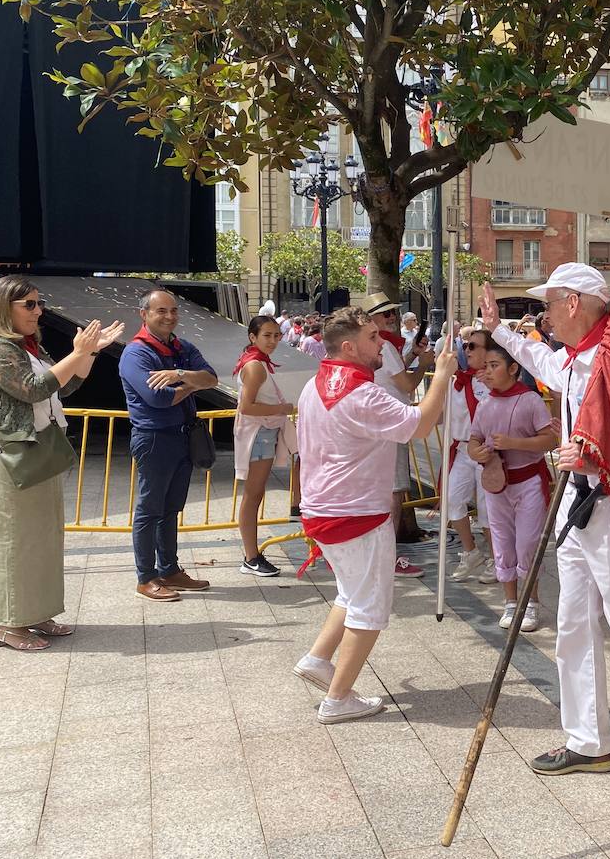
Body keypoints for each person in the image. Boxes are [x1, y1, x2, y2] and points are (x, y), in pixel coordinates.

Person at [479, 265, 610, 775]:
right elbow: (544, 362)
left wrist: (598, 459)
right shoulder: (576, 358)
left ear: (574, 303)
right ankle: (587, 742)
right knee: (573, 623)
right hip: (573, 508)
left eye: (550, 303)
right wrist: (498, 330)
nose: (545, 314)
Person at [292, 308, 457, 721]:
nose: (381, 341)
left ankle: (318, 658)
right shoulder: (360, 393)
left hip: (324, 509)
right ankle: (338, 698)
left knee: (351, 592)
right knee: (368, 605)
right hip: (355, 513)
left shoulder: (315, 385)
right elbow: (418, 425)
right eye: (371, 336)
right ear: (348, 346)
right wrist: (441, 374)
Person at [0, 277, 122, 650]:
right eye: (30, 305)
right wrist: (76, 353)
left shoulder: (24, 347)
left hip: (36, 449)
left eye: (38, 304)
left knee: (43, 539)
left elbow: (63, 387)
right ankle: (8, 623)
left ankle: (35, 614)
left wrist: (88, 353)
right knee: (15, 541)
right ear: (5, 308)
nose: (39, 312)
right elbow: (32, 389)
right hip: (14, 454)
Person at [119, 290, 219, 602]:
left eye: (173, 310)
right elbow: (157, 399)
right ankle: (146, 577)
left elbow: (212, 378)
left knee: (171, 509)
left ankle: (170, 570)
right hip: (154, 440)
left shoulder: (182, 348)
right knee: (150, 510)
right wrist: (193, 383)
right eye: (161, 311)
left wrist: (178, 375)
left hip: (183, 437)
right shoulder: (136, 354)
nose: (169, 316)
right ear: (144, 314)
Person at [468, 343, 559, 631]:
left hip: (529, 481)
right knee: (502, 543)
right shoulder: (485, 405)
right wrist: (476, 453)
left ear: (513, 368)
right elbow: (474, 439)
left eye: (494, 365)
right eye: (487, 366)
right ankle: (510, 602)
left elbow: (549, 440)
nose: (488, 372)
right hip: (497, 485)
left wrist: (514, 443)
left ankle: (530, 603)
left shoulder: (530, 400)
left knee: (527, 543)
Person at [363, 293, 432, 568]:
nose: (392, 318)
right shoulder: (385, 347)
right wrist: (425, 364)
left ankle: (379, 553)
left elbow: (392, 373)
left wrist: (412, 354)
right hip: (390, 423)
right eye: (386, 314)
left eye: (393, 313)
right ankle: (387, 556)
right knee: (392, 492)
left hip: (376, 422)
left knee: (384, 490)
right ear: (372, 320)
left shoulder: (377, 346)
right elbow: (405, 384)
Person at [231, 316, 299, 577]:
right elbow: (247, 406)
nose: (272, 341)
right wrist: (282, 408)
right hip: (258, 433)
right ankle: (251, 556)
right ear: (253, 337)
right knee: (253, 494)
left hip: (261, 431)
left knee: (254, 494)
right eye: (267, 335)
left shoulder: (256, 362)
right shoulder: (256, 366)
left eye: (276, 335)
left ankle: (252, 555)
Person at [447, 329, 496, 583]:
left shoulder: (492, 380)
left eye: (473, 346)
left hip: (487, 452)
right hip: (463, 451)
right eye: (466, 346)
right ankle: (471, 552)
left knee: (488, 511)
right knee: (452, 499)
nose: (467, 350)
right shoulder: (455, 381)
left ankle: (497, 559)